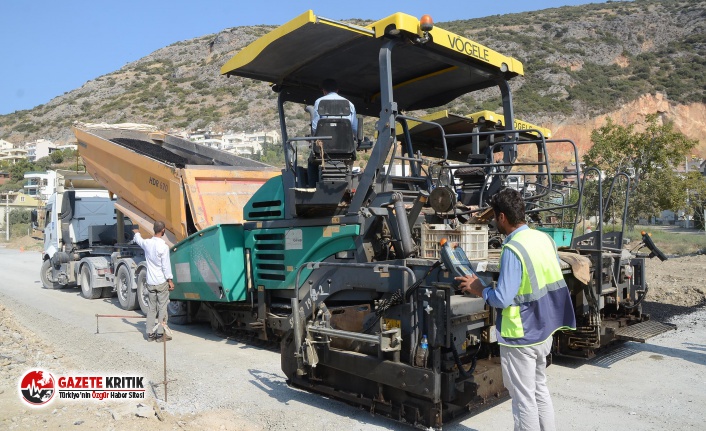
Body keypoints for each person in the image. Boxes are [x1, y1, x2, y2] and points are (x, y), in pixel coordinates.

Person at [455, 188, 576, 431]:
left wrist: (478, 288)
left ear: (502, 217)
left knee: (523, 400)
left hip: (521, 334)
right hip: (544, 330)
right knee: (539, 390)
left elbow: (502, 298)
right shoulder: (545, 239)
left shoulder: (513, 249)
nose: (493, 222)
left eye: (494, 218)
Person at [133, 221, 175, 342]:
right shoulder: (163, 247)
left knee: (152, 308)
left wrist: (136, 233)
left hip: (150, 282)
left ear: (154, 230)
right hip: (161, 281)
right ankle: (160, 334)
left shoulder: (147, 243)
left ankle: (150, 333)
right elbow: (166, 266)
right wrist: (170, 280)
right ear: (163, 231)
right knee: (162, 308)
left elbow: (139, 240)